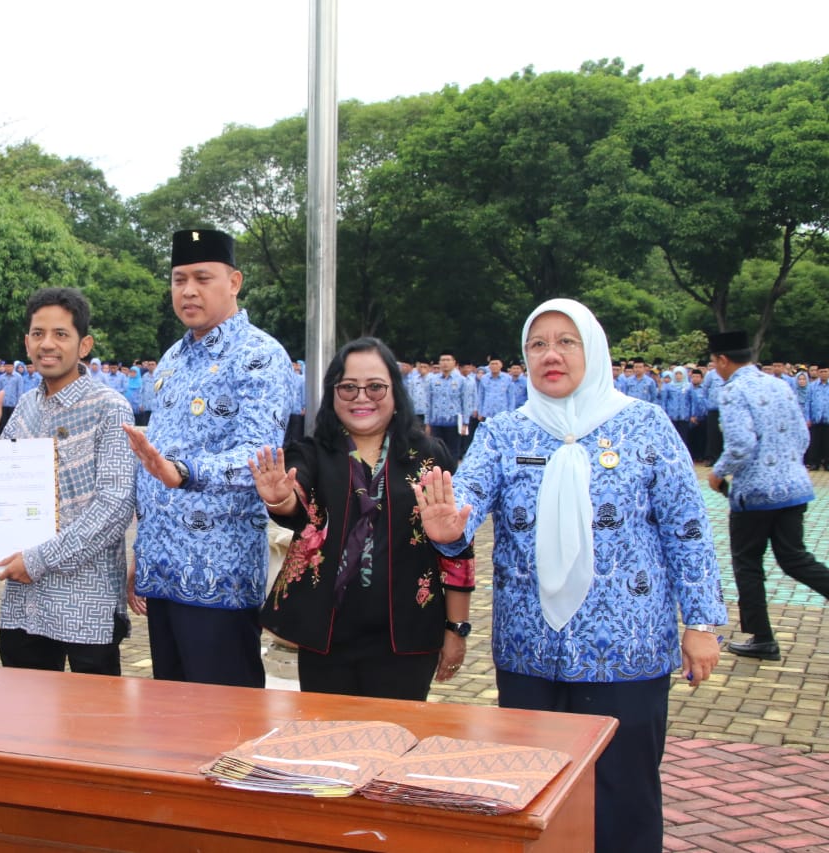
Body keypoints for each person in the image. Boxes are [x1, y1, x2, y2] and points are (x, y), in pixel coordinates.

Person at [414, 298, 726, 853]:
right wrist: (446, 530)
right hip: (530, 649)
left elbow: (687, 529)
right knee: (536, 792)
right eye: (537, 344)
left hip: (628, 649)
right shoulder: (504, 433)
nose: (550, 355)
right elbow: (464, 511)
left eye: (565, 342)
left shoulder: (645, 425)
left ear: (594, 350)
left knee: (624, 791)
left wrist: (702, 622)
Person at [250, 337, 475, 701]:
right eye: (348, 387)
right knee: (330, 743)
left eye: (375, 386)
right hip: (327, 635)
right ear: (332, 392)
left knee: (395, 742)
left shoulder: (428, 457)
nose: (361, 397)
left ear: (395, 392)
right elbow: (297, 501)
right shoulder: (312, 452)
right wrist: (280, 500)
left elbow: (457, 549)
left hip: (408, 634)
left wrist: (456, 628)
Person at [123, 228, 291, 688]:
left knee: (224, 722)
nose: (188, 290)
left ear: (234, 282)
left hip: (219, 576)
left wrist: (184, 472)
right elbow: (154, 461)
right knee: (171, 717)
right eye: (179, 279)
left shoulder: (260, 355)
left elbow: (258, 458)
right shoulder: (173, 358)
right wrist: (142, 549)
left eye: (202, 278)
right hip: (163, 572)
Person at [0, 287, 137, 675]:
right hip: (26, 605)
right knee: (24, 723)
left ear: (83, 344)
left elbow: (115, 506)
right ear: (26, 342)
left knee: (92, 724)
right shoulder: (26, 406)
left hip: (86, 607)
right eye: (38, 334)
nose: (47, 344)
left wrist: (38, 560)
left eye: (61, 334)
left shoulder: (110, 407)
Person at [707, 331, 829, 660]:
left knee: (747, 563)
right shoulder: (779, 384)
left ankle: (762, 637)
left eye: (713, 362)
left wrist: (718, 472)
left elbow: (741, 445)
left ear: (722, 360)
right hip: (795, 487)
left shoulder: (733, 390)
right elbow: (803, 435)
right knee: (794, 558)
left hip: (756, 494)